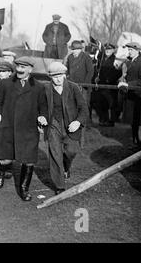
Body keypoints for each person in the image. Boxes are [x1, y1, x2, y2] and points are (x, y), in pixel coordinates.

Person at [0, 56, 48, 201]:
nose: (19, 69)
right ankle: (0, 170)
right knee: (5, 159)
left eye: (23, 67)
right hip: (8, 126)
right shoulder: (5, 84)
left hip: (29, 129)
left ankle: (24, 188)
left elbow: (43, 106)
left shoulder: (39, 87)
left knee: (28, 160)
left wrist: (42, 116)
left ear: (30, 69)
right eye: (17, 66)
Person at [44, 62, 88, 194]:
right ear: (50, 77)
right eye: (54, 76)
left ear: (65, 75)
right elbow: (40, 106)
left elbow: (83, 109)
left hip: (70, 125)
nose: (58, 79)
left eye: (60, 76)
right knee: (55, 154)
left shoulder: (73, 88)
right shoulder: (46, 89)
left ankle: (66, 166)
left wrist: (78, 122)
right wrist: (41, 117)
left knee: (71, 151)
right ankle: (59, 186)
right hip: (53, 125)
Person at [118, 42, 141, 145]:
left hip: (140, 95)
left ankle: (138, 141)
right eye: (128, 50)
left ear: (137, 51)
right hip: (130, 95)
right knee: (133, 120)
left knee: (139, 119)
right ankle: (134, 140)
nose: (129, 52)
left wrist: (128, 84)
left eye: (131, 50)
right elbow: (123, 75)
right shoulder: (128, 62)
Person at [94, 43, 123, 126]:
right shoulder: (102, 59)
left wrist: (110, 79)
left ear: (113, 50)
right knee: (102, 103)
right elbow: (98, 70)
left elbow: (119, 72)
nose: (107, 51)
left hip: (111, 85)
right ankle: (103, 119)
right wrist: (97, 77)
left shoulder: (116, 60)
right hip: (101, 84)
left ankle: (112, 121)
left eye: (109, 49)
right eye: (106, 49)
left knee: (112, 104)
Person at [66, 40, 94, 126]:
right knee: (72, 103)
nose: (73, 51)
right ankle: (73, 121)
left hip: (83, 87)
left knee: (84, 104)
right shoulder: (70, 57)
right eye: (72, 49)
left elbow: (90, 71)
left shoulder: (86, 57)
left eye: (74, 50)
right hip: (72, 85)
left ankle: (86, 123)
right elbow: (67, 70)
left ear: (80, 50)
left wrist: (85, 84)